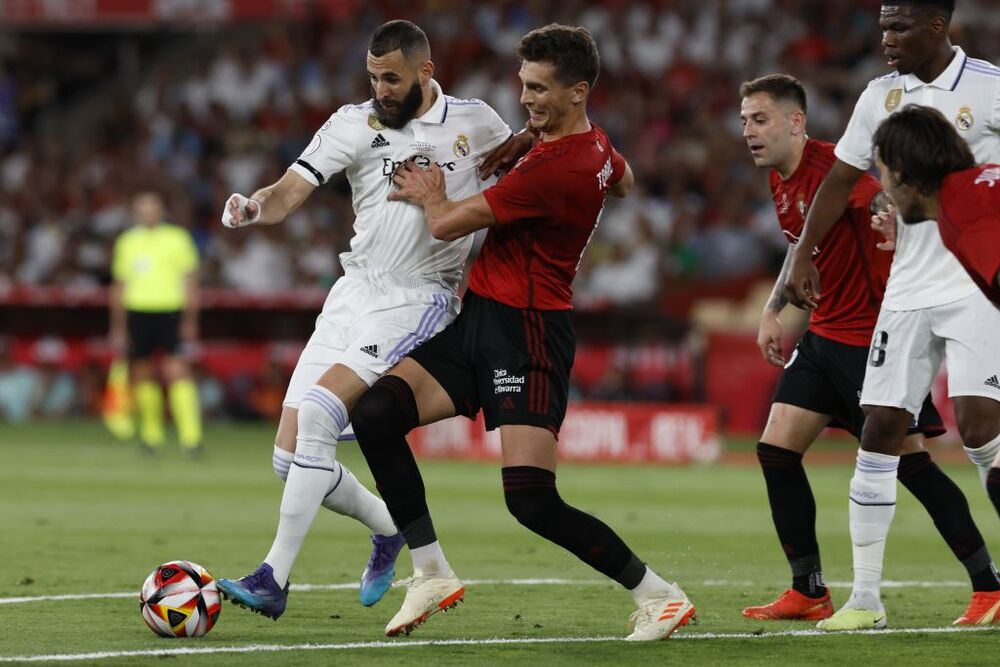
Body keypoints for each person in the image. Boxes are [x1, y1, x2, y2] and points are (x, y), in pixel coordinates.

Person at [350, 24, 694, 643]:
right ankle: (429, 571)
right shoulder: (589, 144)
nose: (526, 98)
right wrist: (528, 137)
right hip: (480, 318)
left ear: (578, 92)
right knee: (375, 414)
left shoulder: (555, 170)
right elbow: (623, 179)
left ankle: (659, 596)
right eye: (523, 86)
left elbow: (449, 224)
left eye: (539, 90)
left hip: (528, 334)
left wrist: (430, 192)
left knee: (531, 499)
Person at [215, 20, 525, 619]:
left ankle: (273, 577)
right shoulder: (351, 123)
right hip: (353, 292)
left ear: (425, 71)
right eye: (373, 77)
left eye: (392, 78)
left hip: (419, 295)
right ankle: (388, 528)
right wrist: (252, 208)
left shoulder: (477, 122)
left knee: (322, 414)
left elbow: (522, 177)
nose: (381, 89)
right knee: (288, 456)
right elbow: (286, 192)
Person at [737, 74, 994, 625]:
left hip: (869, 337)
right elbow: (799, 248)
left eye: (759, 120)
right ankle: (809, 590)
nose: (749, 132)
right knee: (776, 451)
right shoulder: (782, 182)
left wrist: (895, 224)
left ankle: (987, 586)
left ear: (795, 122)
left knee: (911, 467)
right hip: (824, 336)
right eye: (744, 121)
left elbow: (891, 199)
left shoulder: (837, 171)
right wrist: (773, 309)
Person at [872, 104, 1000, 519]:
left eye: (882, 173)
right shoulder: (968, 196)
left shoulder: (965, 214)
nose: (881, 186)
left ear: (903, 172)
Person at [109, 190, 202, 456]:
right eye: (142, 207)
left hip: (170, 310)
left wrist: (190, 319)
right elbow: (119, 285)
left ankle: (191, 438)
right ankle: (151, 436)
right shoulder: (127, 241)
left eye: (152, 207)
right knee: (141, 372)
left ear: (161, 210)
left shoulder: (178, 239)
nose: (147, 212)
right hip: (138, 311)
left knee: (177, 371)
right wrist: (117, 325)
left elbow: (190, 282)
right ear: (135, 212)